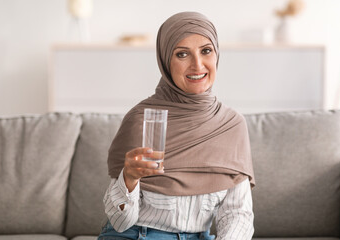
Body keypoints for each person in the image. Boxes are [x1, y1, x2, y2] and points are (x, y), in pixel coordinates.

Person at [98, 11, 255, 240]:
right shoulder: (141, 120)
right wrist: (129, 179)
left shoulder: (232, 126)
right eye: (182, 54)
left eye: (206, 51)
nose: (197, 65)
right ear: (165, 61)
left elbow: (237, 215)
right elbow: (121, 222)